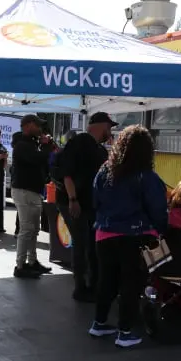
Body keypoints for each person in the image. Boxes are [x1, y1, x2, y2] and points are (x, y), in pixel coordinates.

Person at [90, 125, 168, 348]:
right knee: (131, 284)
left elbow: (95, 201)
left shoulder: (105, 171)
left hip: (104, 234)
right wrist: (161, 229)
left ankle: (99, 323)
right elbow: (159, 209)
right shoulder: (147, 176)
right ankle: (125, 332)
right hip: (138, 236)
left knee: (107, 281)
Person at [55, 112, 116, 302]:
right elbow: (67, 173)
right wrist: (73, 199)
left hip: (88, 204)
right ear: (99, 125)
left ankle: (92, 285)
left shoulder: (99, 149)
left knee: (90, 244)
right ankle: (80, 288)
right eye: (109, 126)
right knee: (81, 243)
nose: (110, 130)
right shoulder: (80, 142)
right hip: (74, 201)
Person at [11, 115, 53, 279]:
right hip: (24, 190)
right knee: (27, 229)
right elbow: (39, 159)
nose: (40, 129)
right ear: (28, 125)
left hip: (32, 190)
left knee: (33, 230)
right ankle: (20, 266)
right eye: (38, 125)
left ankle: (32, 261)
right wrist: (45, 147)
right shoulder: (22, 145)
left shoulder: (30, 143)